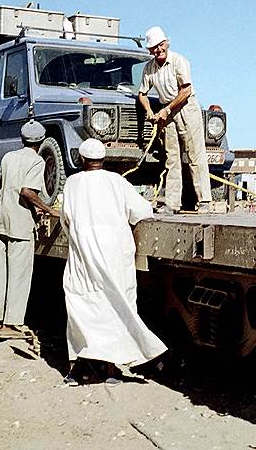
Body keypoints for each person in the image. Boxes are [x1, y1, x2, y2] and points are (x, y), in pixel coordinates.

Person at [60, 138, 167, 385]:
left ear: (82, 159)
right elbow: (141, 211)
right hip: (116, 256)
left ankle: (77, 371)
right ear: (103, 159)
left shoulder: (72, 183)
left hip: (84, 257)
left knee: (81, 308)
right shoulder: (118, 182)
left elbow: (66, 219)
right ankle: (111, 370)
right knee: (117, 307)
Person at [0, 120, 59, 339]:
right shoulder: (36, 161)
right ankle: (11, 325)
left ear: (22, 138)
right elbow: (27, 191)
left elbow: (7, 188)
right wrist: (48, 210)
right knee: (18, 277)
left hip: (0, 222)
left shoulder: (9, 157)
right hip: (19, 226)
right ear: (41, 140)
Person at [138, 26, 212, 214]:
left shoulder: (179, 61)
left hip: (186, 109)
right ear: (150, 50)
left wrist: (167, 109)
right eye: (154, 47)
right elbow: (142, 94)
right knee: (171, 158)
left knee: (195, 155)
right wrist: (149, 110)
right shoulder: (149, 68)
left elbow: (185, 90)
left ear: (166, 43)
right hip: (167, 112)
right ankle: (172, 203)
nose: (158, 50)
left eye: (160, 45)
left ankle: (204, 200)